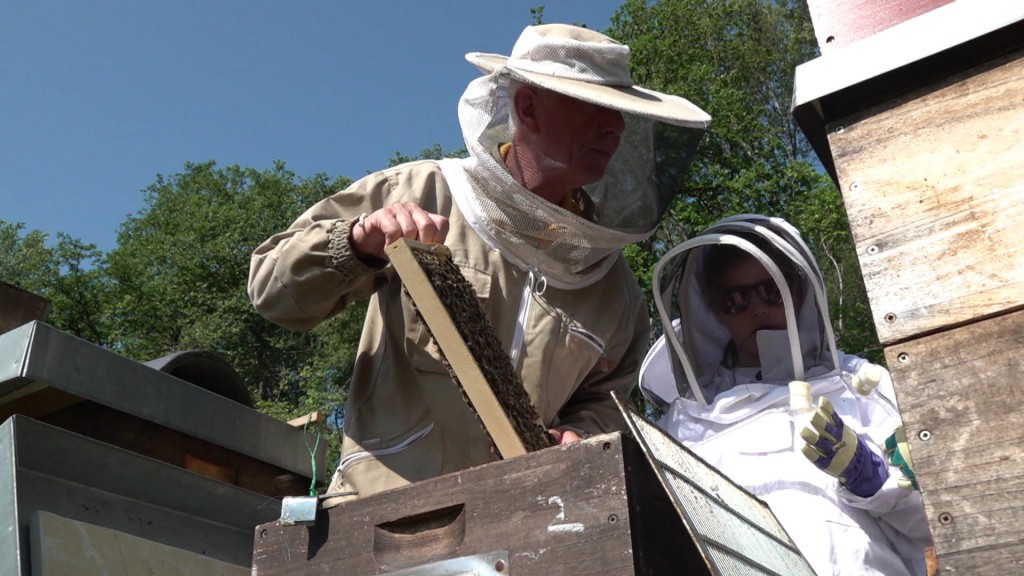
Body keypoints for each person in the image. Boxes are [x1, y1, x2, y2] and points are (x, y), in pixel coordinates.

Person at [248, 23, 710, 505]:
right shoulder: (424, 189)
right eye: (595, 107)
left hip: (526, 520)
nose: (614, 128)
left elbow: (607, 401)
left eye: (620, 113)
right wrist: (357, 242)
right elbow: (271, 290)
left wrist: (580, 433)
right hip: (382, 508)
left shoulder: (616, 290)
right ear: (528, 108)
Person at [639, 215, 934, 576]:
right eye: (735, 299)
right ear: (715, 312)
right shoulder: (684, 424)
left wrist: (872, 481)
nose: (758, 310)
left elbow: (940, 524)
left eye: (772, 291)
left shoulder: (860, 386)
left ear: (799, 291)